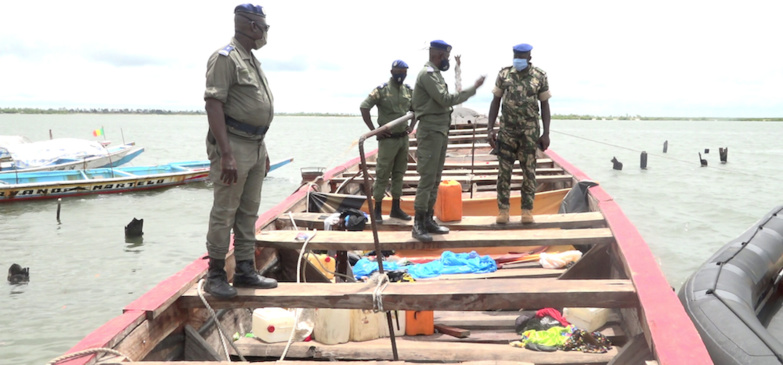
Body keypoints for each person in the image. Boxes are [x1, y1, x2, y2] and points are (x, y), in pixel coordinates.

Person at [202, 3, 278, 299]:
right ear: (251, 26)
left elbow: (255, 109)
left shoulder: (251, 60)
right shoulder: (226, 58)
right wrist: (226, 154)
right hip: (233, 145)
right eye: (264, 27)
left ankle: (245, 269)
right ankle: (216, 274)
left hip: (256, 145)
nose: (266, 33)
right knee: (225, 211)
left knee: (248, 212)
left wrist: (263, 149)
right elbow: (213, 104)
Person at [411, 40, 485, 242]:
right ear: (437, 56)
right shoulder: (428, 75)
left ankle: (427, 219)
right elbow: (444, 100)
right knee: (427, 179)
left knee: (435, 179)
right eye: (446, 57)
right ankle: (418, 224)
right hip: (430, 132)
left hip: (440, 132)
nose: (448, 61)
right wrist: (472, 89)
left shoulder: (435, 75)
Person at [487, 43, 552, 225]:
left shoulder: (540, 76)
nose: (518, 59)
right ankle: (503, 211)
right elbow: (495, 101)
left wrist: (546, 133)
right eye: (516, 56)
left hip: (530, 133)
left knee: (529, 173)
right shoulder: (504, 74)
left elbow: (545, 105)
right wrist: (490, 129)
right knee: (504, 173)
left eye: (522, 56)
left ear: (529, 58)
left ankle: (527, 211)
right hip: (507, 132)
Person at [360, 60, 416, 223]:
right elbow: (364, 107)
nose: (401, 75)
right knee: (382, 174)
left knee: (399, 173)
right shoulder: (381, 90)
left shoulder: (408, 91)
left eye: (404, 72)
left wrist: (411, 126)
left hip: (403, 139)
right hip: (388, 140)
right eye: (398, 71)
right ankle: (377, 210)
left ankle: (396, 208)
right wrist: (374, 131)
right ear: (392, 72)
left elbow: (416, 109)